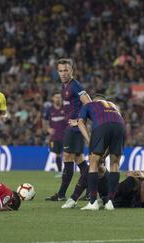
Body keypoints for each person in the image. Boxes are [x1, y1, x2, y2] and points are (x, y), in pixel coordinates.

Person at [46, 58, 91, 201]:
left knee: (68, 157)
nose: (63, 73)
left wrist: (79, 121)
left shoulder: (75, 86)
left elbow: (89, 104)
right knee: (78, 159)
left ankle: (61, 194)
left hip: (74, 129)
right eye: (60, 71)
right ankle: (88, 190)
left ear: (72, 70)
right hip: (71, 128)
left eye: (66, 70)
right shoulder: (64, 86)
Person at [73, 94, 125, 210]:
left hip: (103, 126)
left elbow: (80, 123)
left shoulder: (88, 105)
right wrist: (103, 155)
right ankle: (110, 202)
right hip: (120, 126)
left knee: (93, 162)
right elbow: (115, 125)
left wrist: (89, 141)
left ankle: (92, 202)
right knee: (115, 163)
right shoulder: (114, 106)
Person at [43, 90, 66, 178]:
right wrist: (48, 128)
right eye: (56, 97)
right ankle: (60, 172)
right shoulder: (49, 110)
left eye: (59, 97)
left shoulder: (65, 108)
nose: (58, 99)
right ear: (53, 98)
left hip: (65, 136)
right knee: (57, 154)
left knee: (67, 154)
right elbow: (44, 120)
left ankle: (67, 171)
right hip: (55, 137)